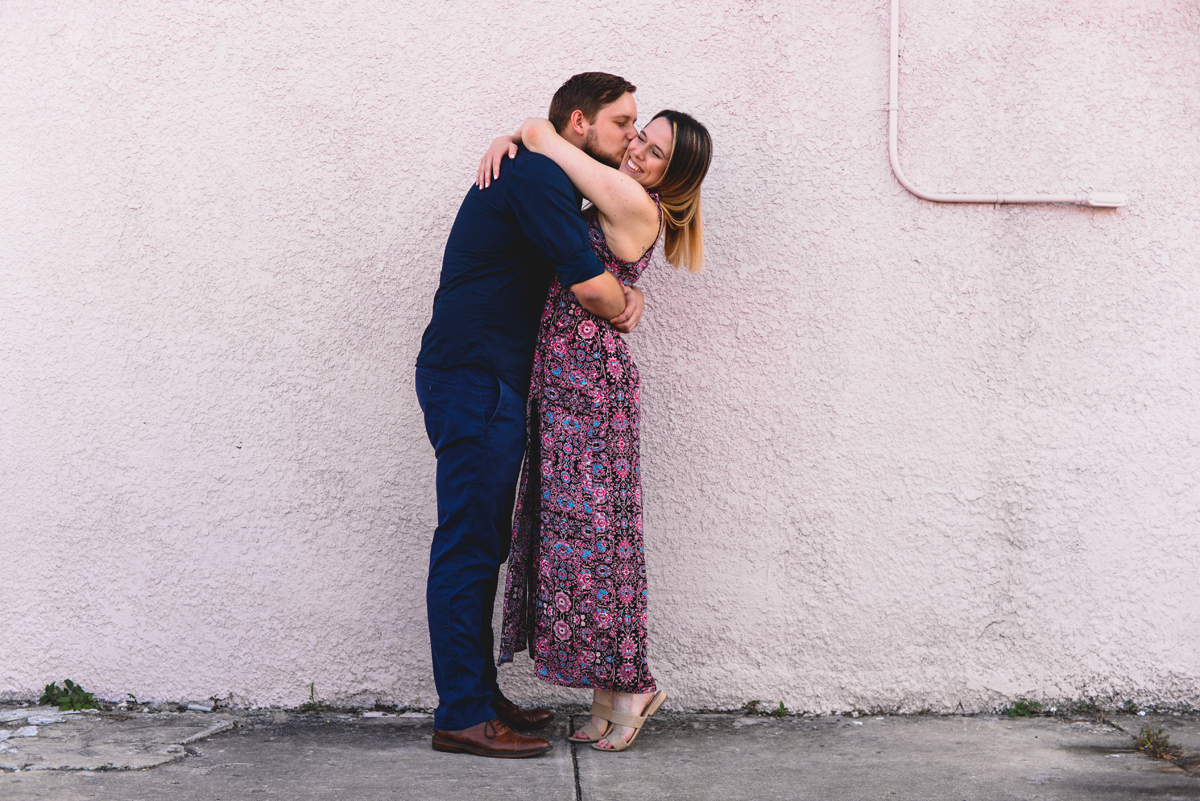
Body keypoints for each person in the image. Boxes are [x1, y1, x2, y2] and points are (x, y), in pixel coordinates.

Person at [414, 72, 648, 758]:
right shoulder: (541, 180)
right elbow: (592, 288)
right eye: (622, 123)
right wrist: (625, 303)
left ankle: (479, 696)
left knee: (482, 541)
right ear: (580, 123)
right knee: (467, 543)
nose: (632, 137)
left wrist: (518, 131)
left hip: (480, 377)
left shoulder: (540, 168)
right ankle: (462, 712)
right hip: (477, 378)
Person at [477, 98, 712, 751]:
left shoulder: (637, 204)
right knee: (582, 544)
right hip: (563, 390)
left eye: (655, 151)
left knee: (603, 549)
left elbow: (547, 140)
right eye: (640, 136)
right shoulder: (620, 193)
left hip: (592, 393)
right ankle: (609, 691)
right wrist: (516, 141)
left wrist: (521, 134)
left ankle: (634, 681)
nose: (638, 149)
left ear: (673, 176)